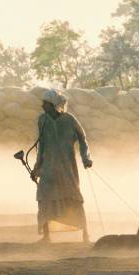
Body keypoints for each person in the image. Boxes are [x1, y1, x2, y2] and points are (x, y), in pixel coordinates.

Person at [30, 89, 93, 243]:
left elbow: (82, 139)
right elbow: (42, 146)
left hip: (67, 168)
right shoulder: (42, 120)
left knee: (74, 197)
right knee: (44, 197)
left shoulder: (69, 120)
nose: (42, 106)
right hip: (48, 168)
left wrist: (86, 158)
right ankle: (46, 236)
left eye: (45, 103)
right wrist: (37, 168)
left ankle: (85, 234)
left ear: (53, 105)